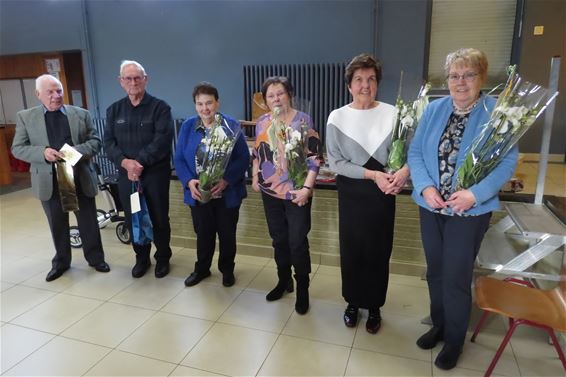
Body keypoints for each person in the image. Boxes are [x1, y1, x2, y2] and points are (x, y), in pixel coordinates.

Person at [407, 48, 518, 370]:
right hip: (431, 207)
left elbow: (506, 163)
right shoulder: (434, 109)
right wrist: (426, 187)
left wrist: (474, 194)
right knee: (435, 272)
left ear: (481, 78)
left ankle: (454, 339)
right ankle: (439, 324)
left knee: (455, 276)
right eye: (455, 75)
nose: (461, 81)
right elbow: (415, 153)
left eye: (469, 74)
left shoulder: (497, 113)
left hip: (468, 212)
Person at [326, 53, 409, 334]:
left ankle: (374, 306)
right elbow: (335, 163)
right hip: (352, 192)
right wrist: (373, 175)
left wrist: (399, 175)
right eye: (359, 79)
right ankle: (352, 301)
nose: (365, 85)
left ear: (378, 83)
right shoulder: (337, 117)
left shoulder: (393, 114)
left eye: (371, 79)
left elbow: (407, 154)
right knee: (352, 250)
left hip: (383, 193)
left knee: (378, 250)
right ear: (349, 85)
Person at [12, 74, 110, 282]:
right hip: (49, 178)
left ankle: (95, 258)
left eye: (59, 91)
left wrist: (75, 152)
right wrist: (42, 153)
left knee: (88, 221)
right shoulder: (25, 117)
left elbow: (96, 141)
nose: (56, 96)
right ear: (38, 94)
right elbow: (18, 148)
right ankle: (62, 262)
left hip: (79, 174)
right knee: (57, 223)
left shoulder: (81, 114)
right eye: (50, 92)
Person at [251, 76, 322, 315]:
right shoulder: (262, 121)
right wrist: (254, 177)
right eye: (270, 96)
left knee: (297, 242)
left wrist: (307, 189)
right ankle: (284, 281)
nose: (275, 99)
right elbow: (258, 153)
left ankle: (303, 288)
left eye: (279, 93)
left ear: (289, 93)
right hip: (270, 192)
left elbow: (314, 158)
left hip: (297, 192)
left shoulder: (303, 120)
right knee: (278, 240)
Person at [174, 82, 249, 287]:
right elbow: (179, 158)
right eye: (200, 104)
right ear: (195, 105)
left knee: (227, 234)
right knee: (203, 234)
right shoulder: (189, 126)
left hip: (226, 193)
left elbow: (243, 158)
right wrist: (189, 181)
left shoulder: (231, 125)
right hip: (198, 193)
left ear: (217, 102)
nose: (205, 108)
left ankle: (227, 270)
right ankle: (202, 269)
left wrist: (226, 180)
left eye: (209, 103)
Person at [105, 60, 174, 278]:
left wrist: (139, 162)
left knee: (159, 217)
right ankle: (141, 258)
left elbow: (163, 140)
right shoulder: (114, 110)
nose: (133, 82)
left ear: (146, 79)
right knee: (133, 216)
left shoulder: (160, 108)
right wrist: (125, 163)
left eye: (137, 78)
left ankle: (162, 258)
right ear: (120, 81)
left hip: (154, 175)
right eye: (128, 78)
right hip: (127, 176)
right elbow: (108, 143)